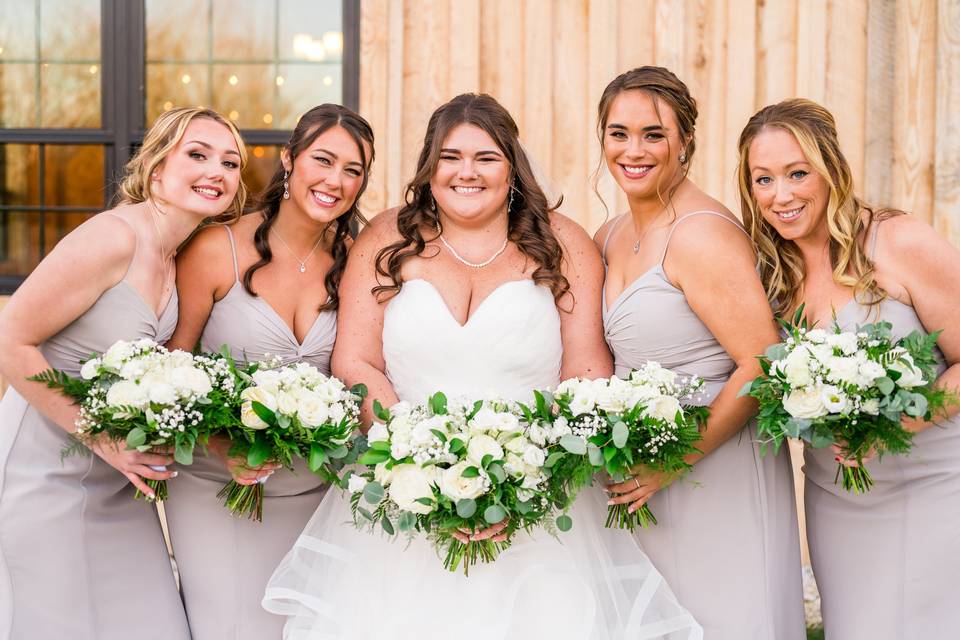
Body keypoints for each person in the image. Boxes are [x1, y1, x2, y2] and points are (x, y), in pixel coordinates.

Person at [262, 93, 701, 639]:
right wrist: (420, 466)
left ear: (512, 167)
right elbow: (356, 359)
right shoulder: (386, 237)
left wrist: (521, 479)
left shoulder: (562, 243)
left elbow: (585, 367)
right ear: (429, 167)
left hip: (538, 494)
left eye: (486, 158)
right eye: (450, 157)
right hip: (402, 489)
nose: (466, 172)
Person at [0, 107, 246, 640]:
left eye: (230, 163)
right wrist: (102, 436)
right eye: (197, 155)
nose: (217, 171)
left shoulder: (179, 258)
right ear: (157, 168)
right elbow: (10, 338)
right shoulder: (112, 237)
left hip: (120, 486)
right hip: (46, 475)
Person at [737, 97, 960, 639]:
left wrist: (898, 424)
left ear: (831, 169)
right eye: (763, 180)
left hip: (933, 486)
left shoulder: (899, 242)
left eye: (797, 173)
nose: (781, 195)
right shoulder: (770, 274)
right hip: (837, 498)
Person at [596, 67, 805, 639]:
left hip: (715, 472)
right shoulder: (610, 235)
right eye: (618, 133)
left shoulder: (702, 234)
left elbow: (762, 362)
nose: (632, 151)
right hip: (642, 472)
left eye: (653, 135)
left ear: (685, 141)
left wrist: (674, 462)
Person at [163, 103, 374, 640]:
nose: (336, 181)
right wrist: (218, 444)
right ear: (288, 159)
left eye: (354, 171)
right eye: (323, 160)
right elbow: (173, 368)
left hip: (319, 492)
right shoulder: (217, 248)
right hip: (218, 485)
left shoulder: (358, 261)